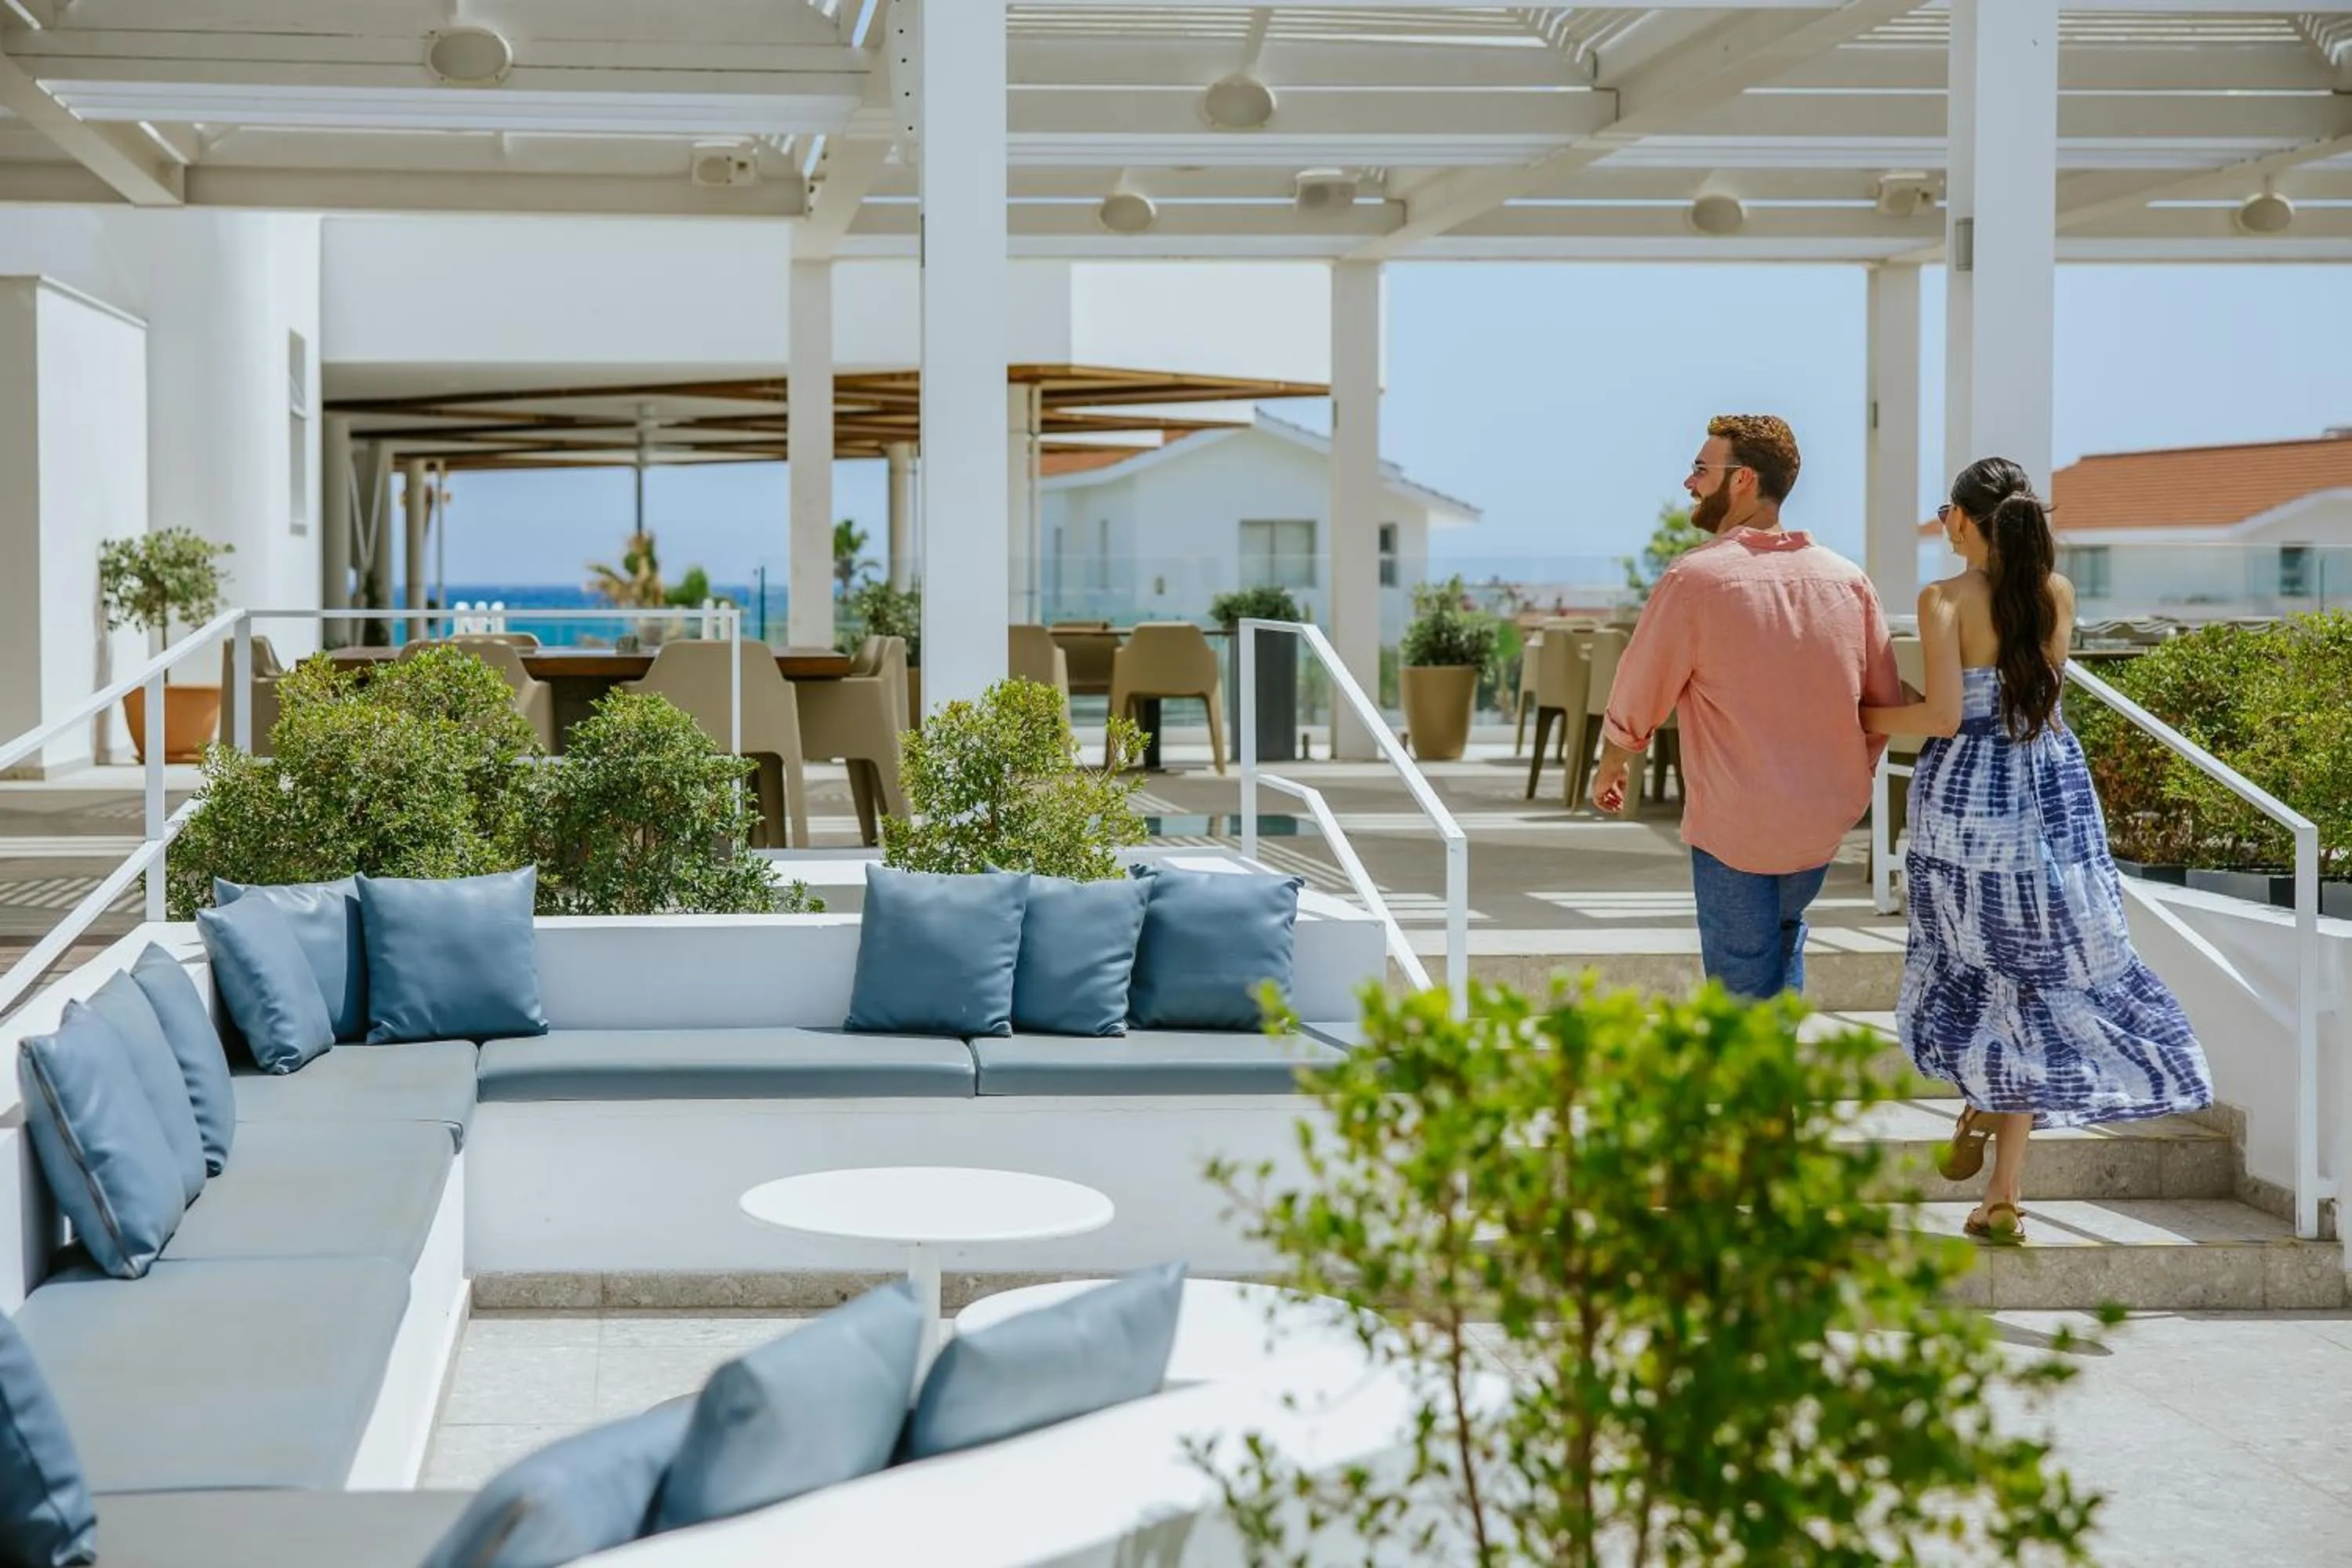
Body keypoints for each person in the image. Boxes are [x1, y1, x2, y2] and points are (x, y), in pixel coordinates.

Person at [1863, 456, 2212, 1245]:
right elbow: (2040, 706)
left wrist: (1862, 715)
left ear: (1961, 518)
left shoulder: (1944, 598)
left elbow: (1947, 716)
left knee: (1974, 972)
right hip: (2050, 798)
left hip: (1967, 810)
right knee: (2036, 981)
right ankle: (2004, 1192)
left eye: (1945, 512)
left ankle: (1983, 1108)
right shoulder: (2055, 592)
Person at [1593, 415, 1902, 1000]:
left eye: (1701, 470)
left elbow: (1641, 686)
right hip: (1818, 829)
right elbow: (1883, 704)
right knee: (1783, 949)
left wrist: (1614, 761)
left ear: (1742, 481)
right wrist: (1844, 782)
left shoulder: (1696, 579)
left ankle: (1762, 1092)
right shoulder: (1848, 581)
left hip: (1736, 827)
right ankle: (1777, 1090)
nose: (1689, 482)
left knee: (1740, 993)